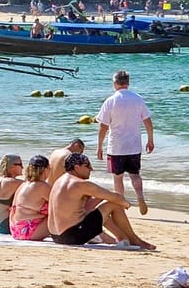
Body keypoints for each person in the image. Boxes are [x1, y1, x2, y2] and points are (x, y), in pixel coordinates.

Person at [44, 154, 154, 248]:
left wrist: (102, 197)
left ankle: (122, 238)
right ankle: (134, 240)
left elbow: (86, 208)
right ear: (76, 167)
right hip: (72, 236)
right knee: (114, 204)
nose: (91, 169)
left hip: (56, 236)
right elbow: (116, 197)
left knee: (100, 210)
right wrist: (125, 203)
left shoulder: (59, 181)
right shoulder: (80, 184)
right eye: (87, 166)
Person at [95, 69, 154, 215]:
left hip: (116, 147)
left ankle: (120, 204)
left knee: (118, 177)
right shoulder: (138, 99)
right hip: (134, 145)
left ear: (115, 83)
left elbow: (103, 126)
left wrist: (99, 146)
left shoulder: (111, 101)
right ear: (128, 83)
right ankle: (140, 197)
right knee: (135, 174)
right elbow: (147, 120)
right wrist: (150, 139)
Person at [6, 156, 53, 239]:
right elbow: (59, 204)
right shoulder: (42, 186)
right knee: (59, 215)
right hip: (27, 230)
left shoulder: (23, 185)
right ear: (45, 170)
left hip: (16, 229)